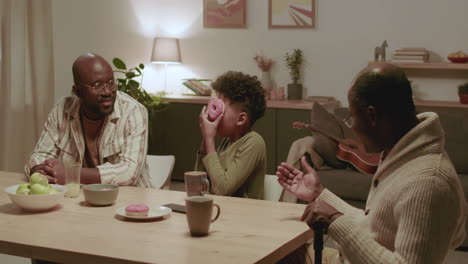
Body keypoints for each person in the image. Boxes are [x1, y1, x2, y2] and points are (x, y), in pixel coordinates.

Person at [277, 63, 467, 263]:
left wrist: (335, 221)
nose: (352, 127)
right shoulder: (402, 155)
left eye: (352, 117)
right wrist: (320, 194)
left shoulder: (427, 181)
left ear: (372, 115)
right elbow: (374, 225)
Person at [25, 53, 152, 188]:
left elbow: (128, 173)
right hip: (82, 199)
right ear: (78, 92)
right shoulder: (62, 110)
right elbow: (40, 155)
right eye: (97, 85)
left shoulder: (133, 111)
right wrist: (38, 170)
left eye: (111, 82)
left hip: (131, 202)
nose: (108, 91)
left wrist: (71, 173)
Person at [195, 71, 266, 199]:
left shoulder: (254, 142)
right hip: (220, 212)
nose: (212, 113)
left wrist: (209, 138)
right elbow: (198, 185)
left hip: (243, 215)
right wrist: (205, 141)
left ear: (241, 119)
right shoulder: (227, 143)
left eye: (220, 108)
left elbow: (222, 190)